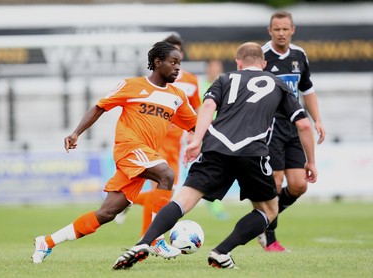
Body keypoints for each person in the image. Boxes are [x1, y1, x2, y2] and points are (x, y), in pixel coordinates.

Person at [112, 42, 317, 270]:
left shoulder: (225, 79)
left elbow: (208, 106)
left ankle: (143, 242)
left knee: (183, 199)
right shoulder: (277, 84)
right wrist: (311, 161)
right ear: (264, 64)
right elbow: (304, 126)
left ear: (238, 63)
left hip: (215, 146)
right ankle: (221, 252)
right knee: (268, 210)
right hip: (251, 151)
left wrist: (197, 140)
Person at [31, 41, 197, 264]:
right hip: (129, 148)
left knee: (107, 213)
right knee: (166, 174)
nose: (178, 68)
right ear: (157, 63)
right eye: (173, 62)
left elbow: (197, 125)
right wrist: (76, 133)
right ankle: (155, 238)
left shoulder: (178, 96)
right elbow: (100, 106)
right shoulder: (132, 86)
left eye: (180, 63)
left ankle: (47, 241)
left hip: (145, 157)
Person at [114, 34, 201, 258]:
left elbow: (196, 110)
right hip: (153, 141)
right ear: (159, 60)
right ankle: (150, 240)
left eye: (178, 56)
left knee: (165, 194)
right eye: (171, 57)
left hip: (176, 144)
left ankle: (130, 208)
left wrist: (195, 137)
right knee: (162, 187)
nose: (175, 62)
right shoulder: (152, 81)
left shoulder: (190, 81)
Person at [258, 10, 326, 252]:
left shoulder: (299, 55)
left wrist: (317, 119)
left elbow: (307, 89)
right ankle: (269, 236)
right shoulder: (262, 55)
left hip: (295, 125)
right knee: (275, 182)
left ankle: (264, 216)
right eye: (277, 29)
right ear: (270, 30)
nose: (281, 33)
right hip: (271, 126)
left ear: (292, 30)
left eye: (285, 29)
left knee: (298, 185)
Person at [199, 59, 229, 220]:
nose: (215, 72)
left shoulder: (226, 87)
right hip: (204, 135)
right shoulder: (200, 88)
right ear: (207, 70)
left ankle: (213, 202)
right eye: (213, 68)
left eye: (219, 68)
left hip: (222, 135)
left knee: (217, 173)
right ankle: (214, 205)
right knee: (209, 171)